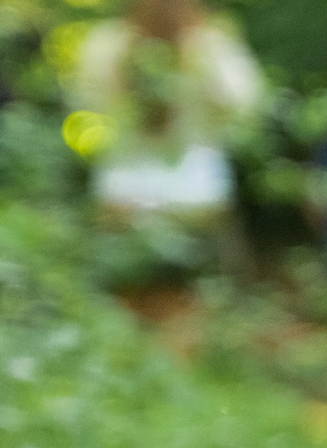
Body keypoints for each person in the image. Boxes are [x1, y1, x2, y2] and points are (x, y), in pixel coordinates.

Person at [71, 0, 264, 264]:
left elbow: (85, 105)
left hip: (138, 184)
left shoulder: (107, 43)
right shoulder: (210, 43)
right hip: (185, 185)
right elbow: (244, 104)